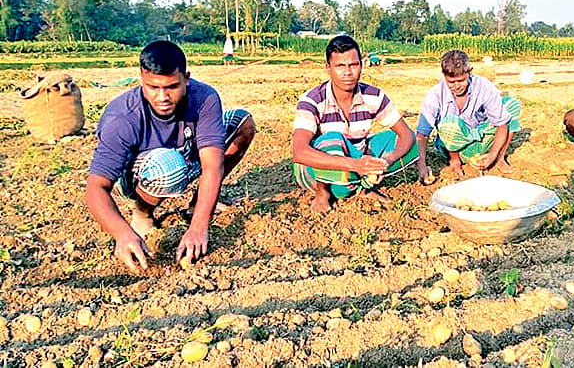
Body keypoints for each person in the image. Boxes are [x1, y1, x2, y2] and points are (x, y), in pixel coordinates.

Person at [86, 41, 256, 272]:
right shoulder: (123, 117)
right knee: (169, 166)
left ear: (186, 78)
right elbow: (96, 187)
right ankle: (142, 213)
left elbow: (212, 164)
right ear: (141, 78)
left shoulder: (204, 98)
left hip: (182, 153)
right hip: (139, 173)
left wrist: (199, 225)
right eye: (153, 87)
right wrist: (122, 233)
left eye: (172, 87)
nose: (162, 97)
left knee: (241, 123)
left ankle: (196, 207)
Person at [291, 35, 417, 213]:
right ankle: (324, 194)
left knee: (411, 142)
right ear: (328, 68)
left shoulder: (374, 96)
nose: (348, 72)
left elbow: (406, 134)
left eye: (353, 65)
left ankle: (362, 184)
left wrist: (385, 161)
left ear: (361, 65)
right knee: (333, 139)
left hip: (357, 160)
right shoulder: (312, 100)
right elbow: (299, 152)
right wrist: (356, 165)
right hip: (317, 172)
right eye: (340, 66)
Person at [415, 50, 521, 182]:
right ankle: (455, 160)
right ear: (443, 75)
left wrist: (493, 155)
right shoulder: (435, 95)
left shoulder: (484, 87)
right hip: (453, 148)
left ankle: (500, 158)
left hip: (481, 140)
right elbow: (422, 135)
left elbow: (501, 123)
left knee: (512, 106)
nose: (457, 86)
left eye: (461, 80)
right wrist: (422, 166)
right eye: (451, 82)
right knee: (449, 124)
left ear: (469, 72)